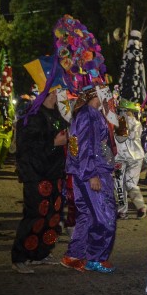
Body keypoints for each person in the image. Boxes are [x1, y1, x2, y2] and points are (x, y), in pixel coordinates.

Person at [11, 78, 68, 274]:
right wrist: (54, 142)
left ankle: (41, 252)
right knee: (35, 215)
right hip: (36, 174)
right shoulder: (32, 115)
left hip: (55, 173)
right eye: (57, 91)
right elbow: (27, 147)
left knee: (53, 216)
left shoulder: (59, 114)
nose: (60, 95)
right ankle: (20, 257)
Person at [60, 84, 118, 273]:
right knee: (104, 216)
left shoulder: (85, 113)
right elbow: (86, 147)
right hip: (92, 173)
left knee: (86, 215)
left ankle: (74, 255)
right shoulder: (90, 115)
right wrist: (92, 174)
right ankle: (96, 257)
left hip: (82, 173)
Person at [113, 99, 147, 220]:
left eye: (125, 111)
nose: (123, 113)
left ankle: (140, 206)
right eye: (120, 110)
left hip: (135, 158)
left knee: (130, 183)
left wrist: (124, 122)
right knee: (118, 183)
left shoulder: (136, 124)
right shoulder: (113, 122)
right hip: (119, 158)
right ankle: (122, 211)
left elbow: (131, 135)